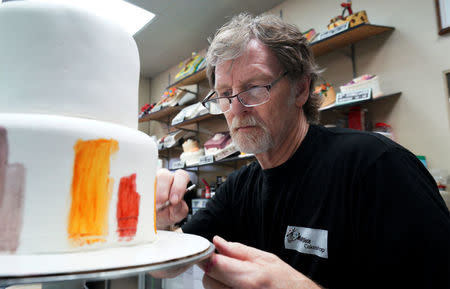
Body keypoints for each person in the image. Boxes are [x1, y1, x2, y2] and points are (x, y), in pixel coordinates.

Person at [155, 13, 450, 289]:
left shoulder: (377, 166)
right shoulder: (239, 187)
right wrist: (158, 223)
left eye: (255, 87)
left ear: (300, 89)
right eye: (224, 94)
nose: (236, 108)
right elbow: (167, 267)